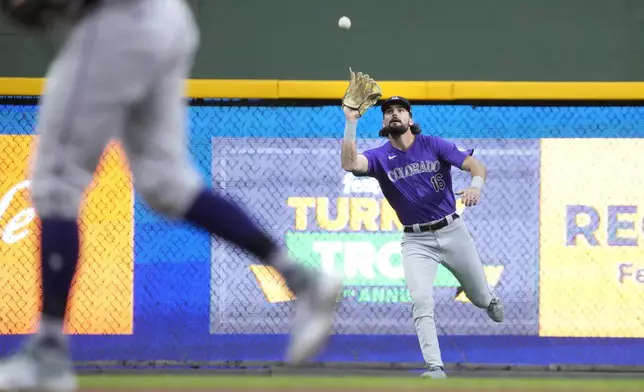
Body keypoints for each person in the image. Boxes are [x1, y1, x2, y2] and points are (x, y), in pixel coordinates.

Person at [0, 0, 343, 390]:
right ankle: (301, 278)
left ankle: (48, 354)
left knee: (56, 184)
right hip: (167, 19)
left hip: (115, 22)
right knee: (168, 185)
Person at [340, 96, 503, 379]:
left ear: (410, 120)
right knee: (421, 300)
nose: (394, 114)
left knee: (477, 297)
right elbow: (350, 163)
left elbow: (477, 166)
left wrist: (476, 186)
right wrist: (351, 121)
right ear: (383, 122)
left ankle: (488, 299)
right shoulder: (379, 157)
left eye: (401, 110)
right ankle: (435, 367)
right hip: (416, 242)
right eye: (389, 111)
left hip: (453, 232)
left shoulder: (433, 145)